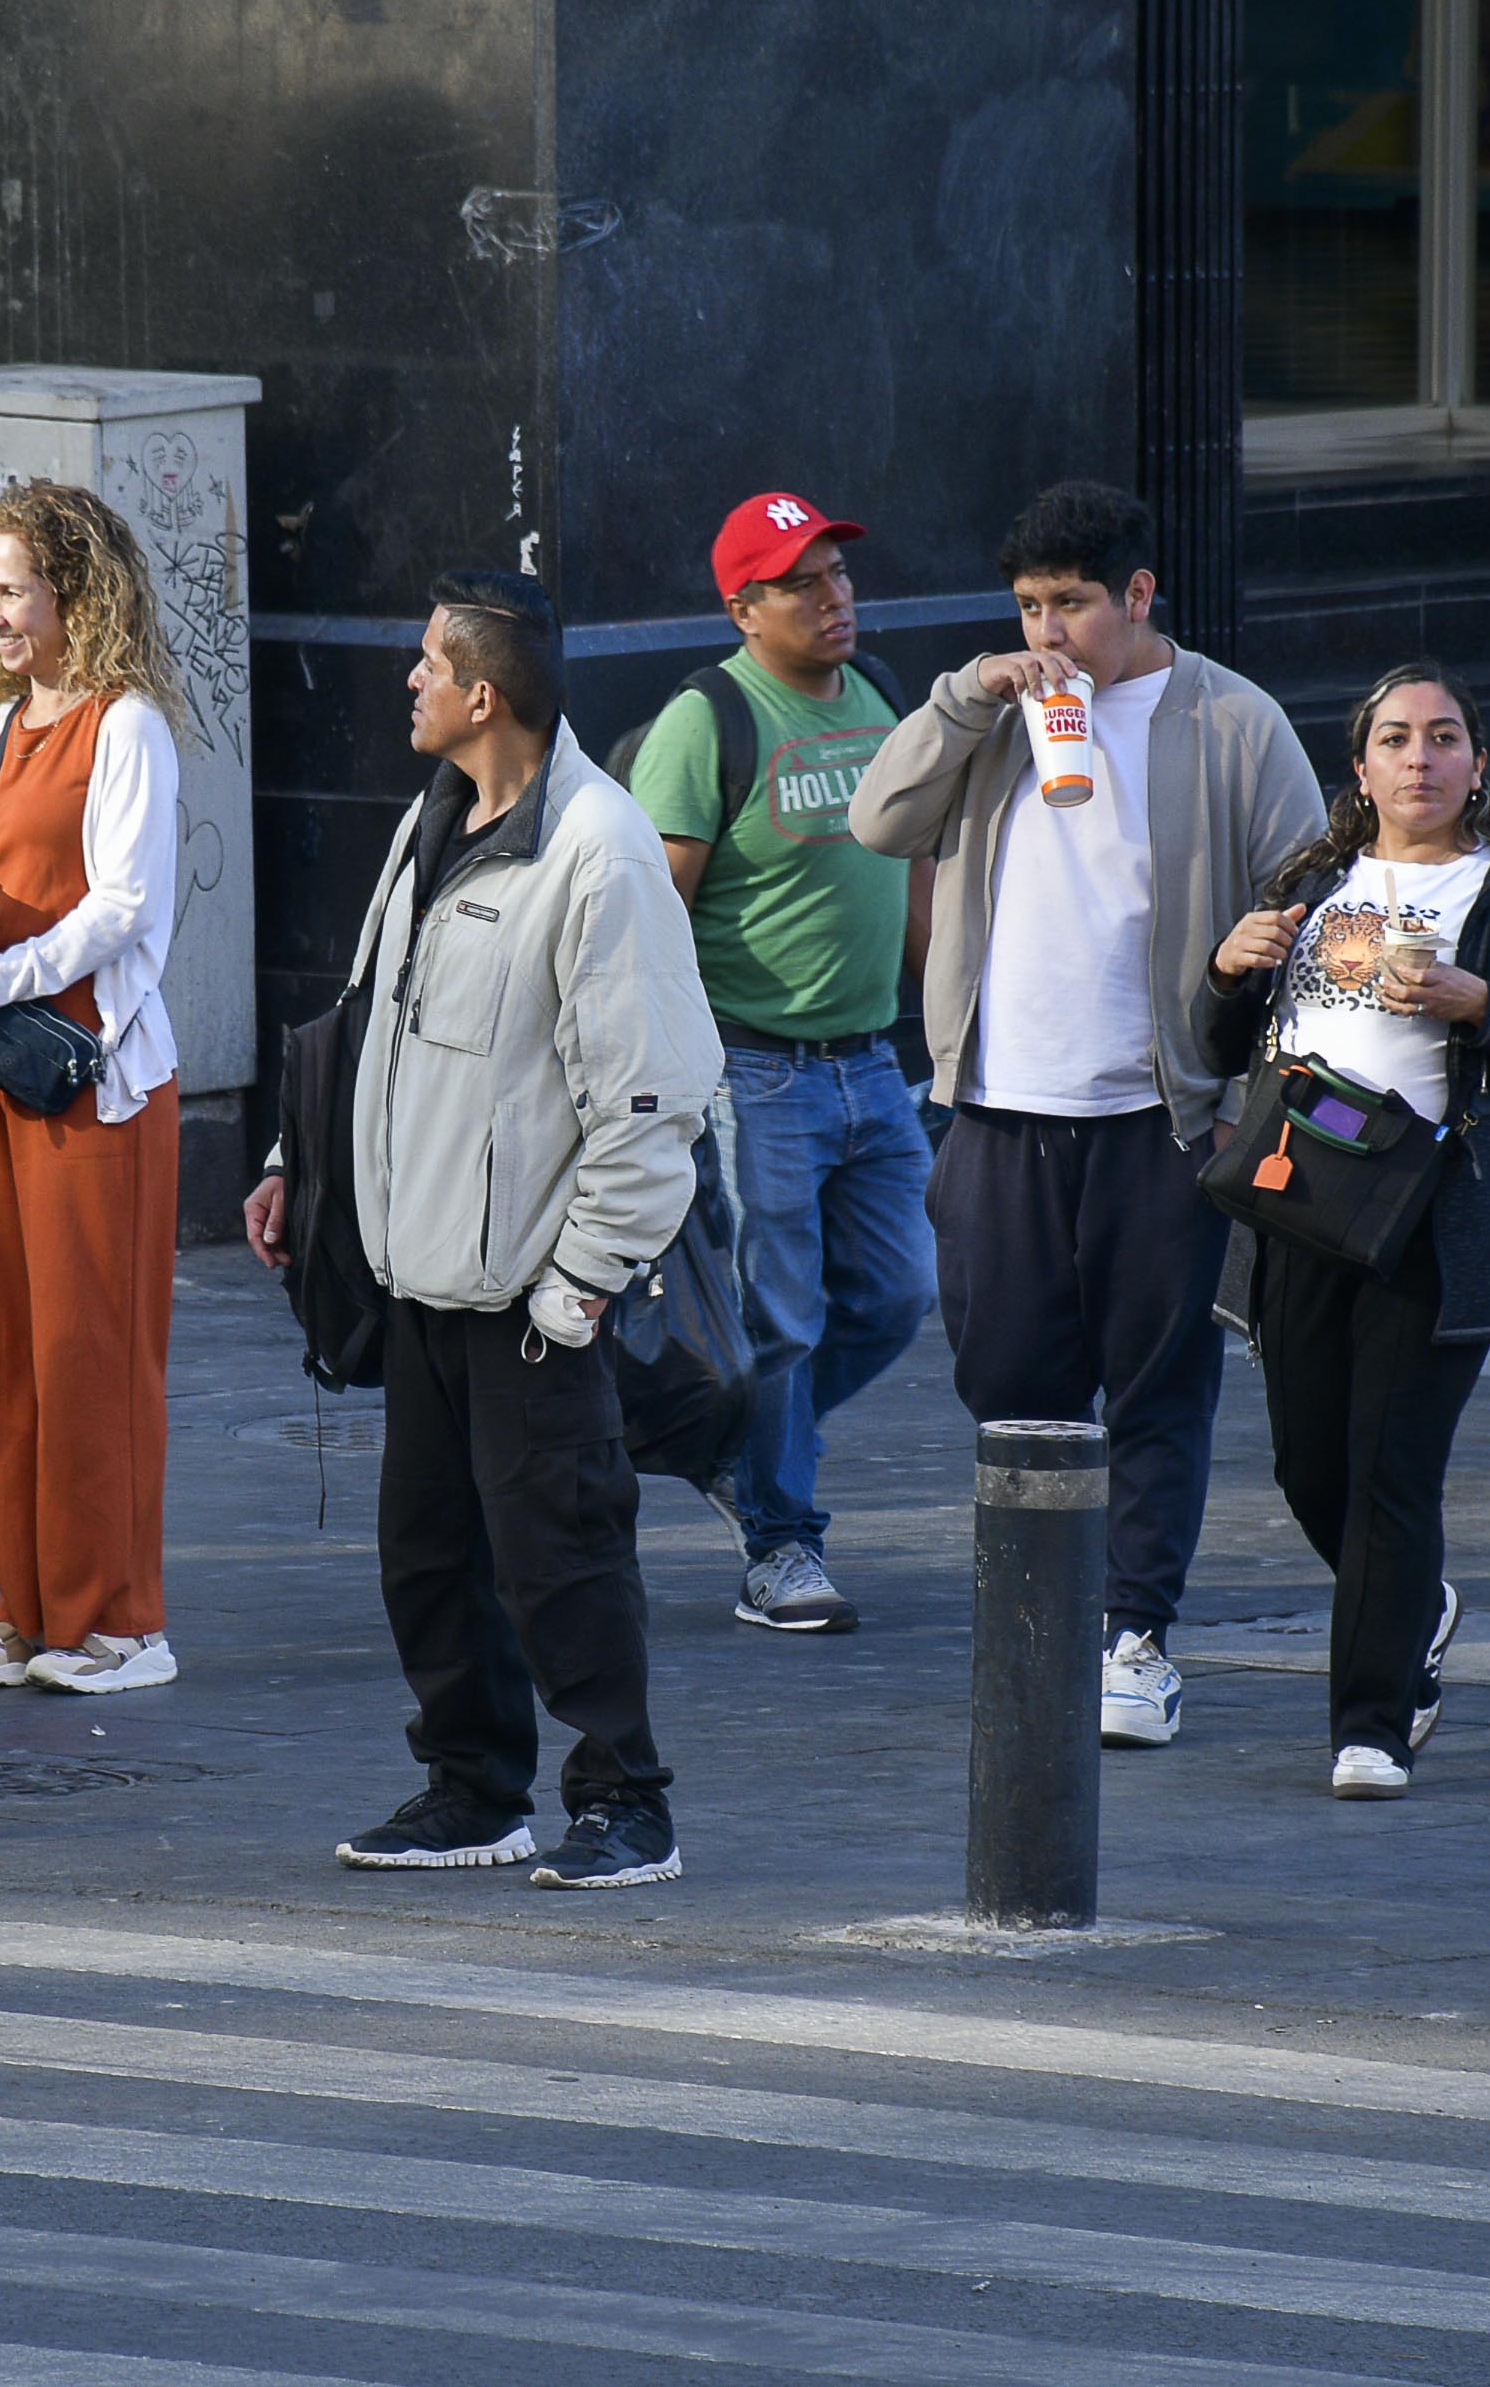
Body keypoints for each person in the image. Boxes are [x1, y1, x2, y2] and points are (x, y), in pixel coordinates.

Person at [243, 571, 719, 1891]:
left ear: (482, 694)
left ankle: (626, 1800)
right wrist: (298, 1155)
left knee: (559, 1555)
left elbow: (650, 1096)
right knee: (430, 1556)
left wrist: (576, 1288)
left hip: (527, 1296)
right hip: (419, 1279)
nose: (407, 680)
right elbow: (366, 1018)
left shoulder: (598, 849)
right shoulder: (431, 817)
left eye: (425, 663)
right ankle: (471, 1789)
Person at [847, 481, 1322, 1748]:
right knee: (1005, 1379)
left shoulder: (1228, 719)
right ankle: (1036, 1620)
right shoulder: (995, 710)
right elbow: (876, 819)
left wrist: (1242, 1100)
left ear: (1138, 596)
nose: (1050, 631)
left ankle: (1133, 1635)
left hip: (1160, 1115)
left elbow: (1308, 908)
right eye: (1027, 605)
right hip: (998, 1105)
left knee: (1158, 1385)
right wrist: (967, 694)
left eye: (1072, 604)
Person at [1198, 666, 1490, 1800]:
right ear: (1360, 765)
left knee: (1388, 1470)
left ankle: (1370, 1723)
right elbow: (1222, 1029)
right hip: (1297, 1193)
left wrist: (1484, 1007)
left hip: (1434, 1210)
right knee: (1303, 1462)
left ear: (1477, 763)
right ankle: (1415, 1605)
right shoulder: (1317, 875)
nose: (1417, 759)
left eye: (1441, 739)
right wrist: (1226, 970)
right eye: (1393, 739)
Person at [0, 482, 187, 1698]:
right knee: (3, 1350)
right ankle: (28, 1607)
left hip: (90, 1080)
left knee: (93, 1352)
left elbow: (122, 914)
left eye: (15, 590)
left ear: (78, 593)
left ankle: (120, 1619)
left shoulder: (128, 729)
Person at [625, 492, 933, 1635]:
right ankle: (780, 1546)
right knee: (783, 1320)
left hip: (870, 1065)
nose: (832, 597)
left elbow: (909, 876)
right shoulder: (707, 718)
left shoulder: (881, 697)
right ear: (742, 609)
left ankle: (732, 1443)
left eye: (837, 575)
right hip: (753, 1074)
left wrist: (950, 1017)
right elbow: (656, 908)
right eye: (800, 583)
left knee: (898, 1295)